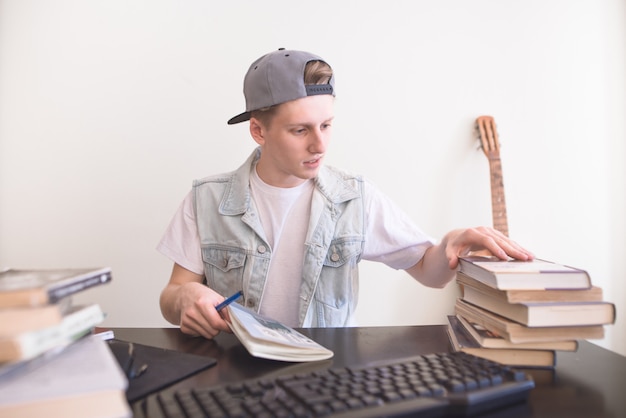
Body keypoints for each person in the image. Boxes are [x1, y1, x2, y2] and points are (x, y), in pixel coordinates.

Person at [157, 48, 533, 339]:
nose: (320, 144)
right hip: (233, 374)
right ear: (258, 131)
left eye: (326, 124)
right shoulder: (206, 200)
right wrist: (184, 300)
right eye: (300, 130)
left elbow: (429, 272)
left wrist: (451, 243)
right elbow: (173, 294)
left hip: (330, 373)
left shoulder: (354, 198)